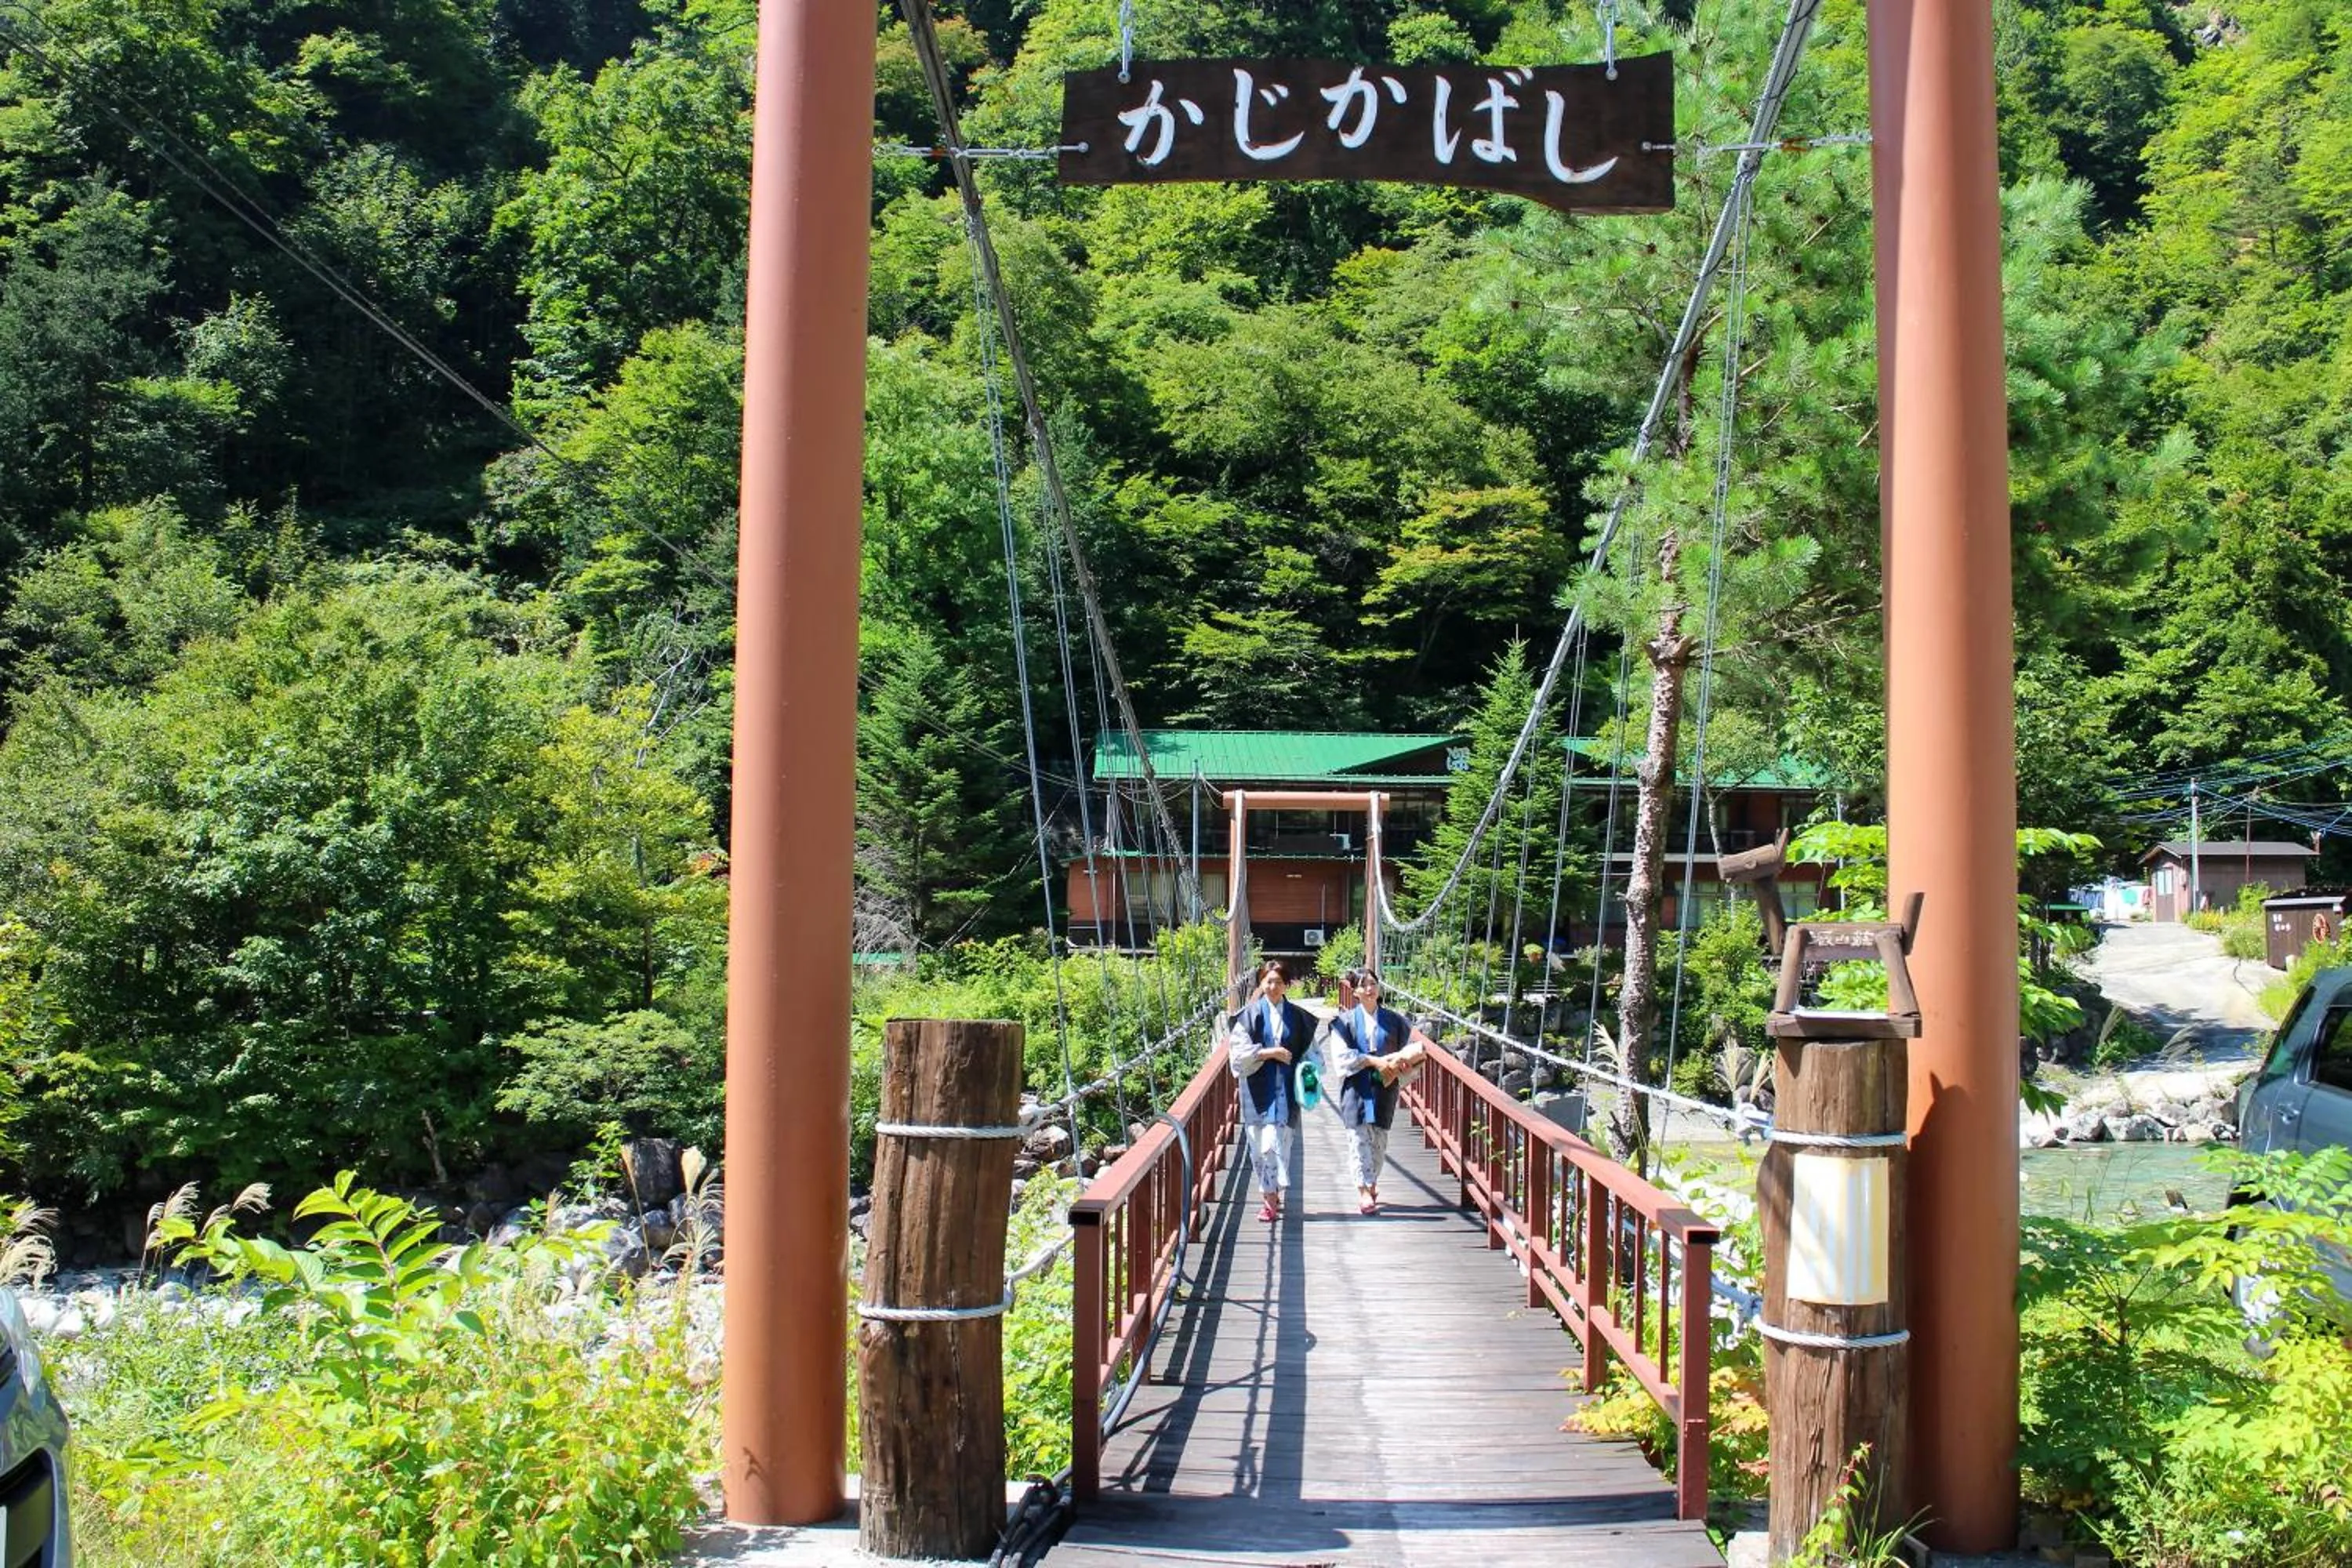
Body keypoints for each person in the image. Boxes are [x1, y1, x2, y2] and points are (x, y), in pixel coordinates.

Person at [1323, 967, 1427, 1215]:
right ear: (1355, 991)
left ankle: (1372, 1182)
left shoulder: (1396, 1021)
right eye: (1363, 985)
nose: (1369, 989)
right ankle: (1363, 1191)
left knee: (1379, 1141)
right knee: (1358, 1140)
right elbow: (1341, 1058)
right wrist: (1373, 1061)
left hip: (1385, 1087)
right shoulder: (1343, 1023)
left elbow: (1410, 1051)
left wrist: (1404, 1062)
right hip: (1356, 1088)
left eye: (1373, 984)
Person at [1229, 958, 1312, 1222]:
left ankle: (1270, 1198)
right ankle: (1271, 1194)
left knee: (1279, 1144)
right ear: (1261, 984)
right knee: (1258, 1146)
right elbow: (1237, 1057)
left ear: (1287, 985)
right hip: (1256, 1090)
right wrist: (1268, 1053)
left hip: (1287, 1091)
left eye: (1278, 981)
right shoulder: (1247, 1017)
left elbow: (1312, 1055)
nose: (1273, 986)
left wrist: (1310, 1076)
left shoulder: (1300, 1018)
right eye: (1268, 981)